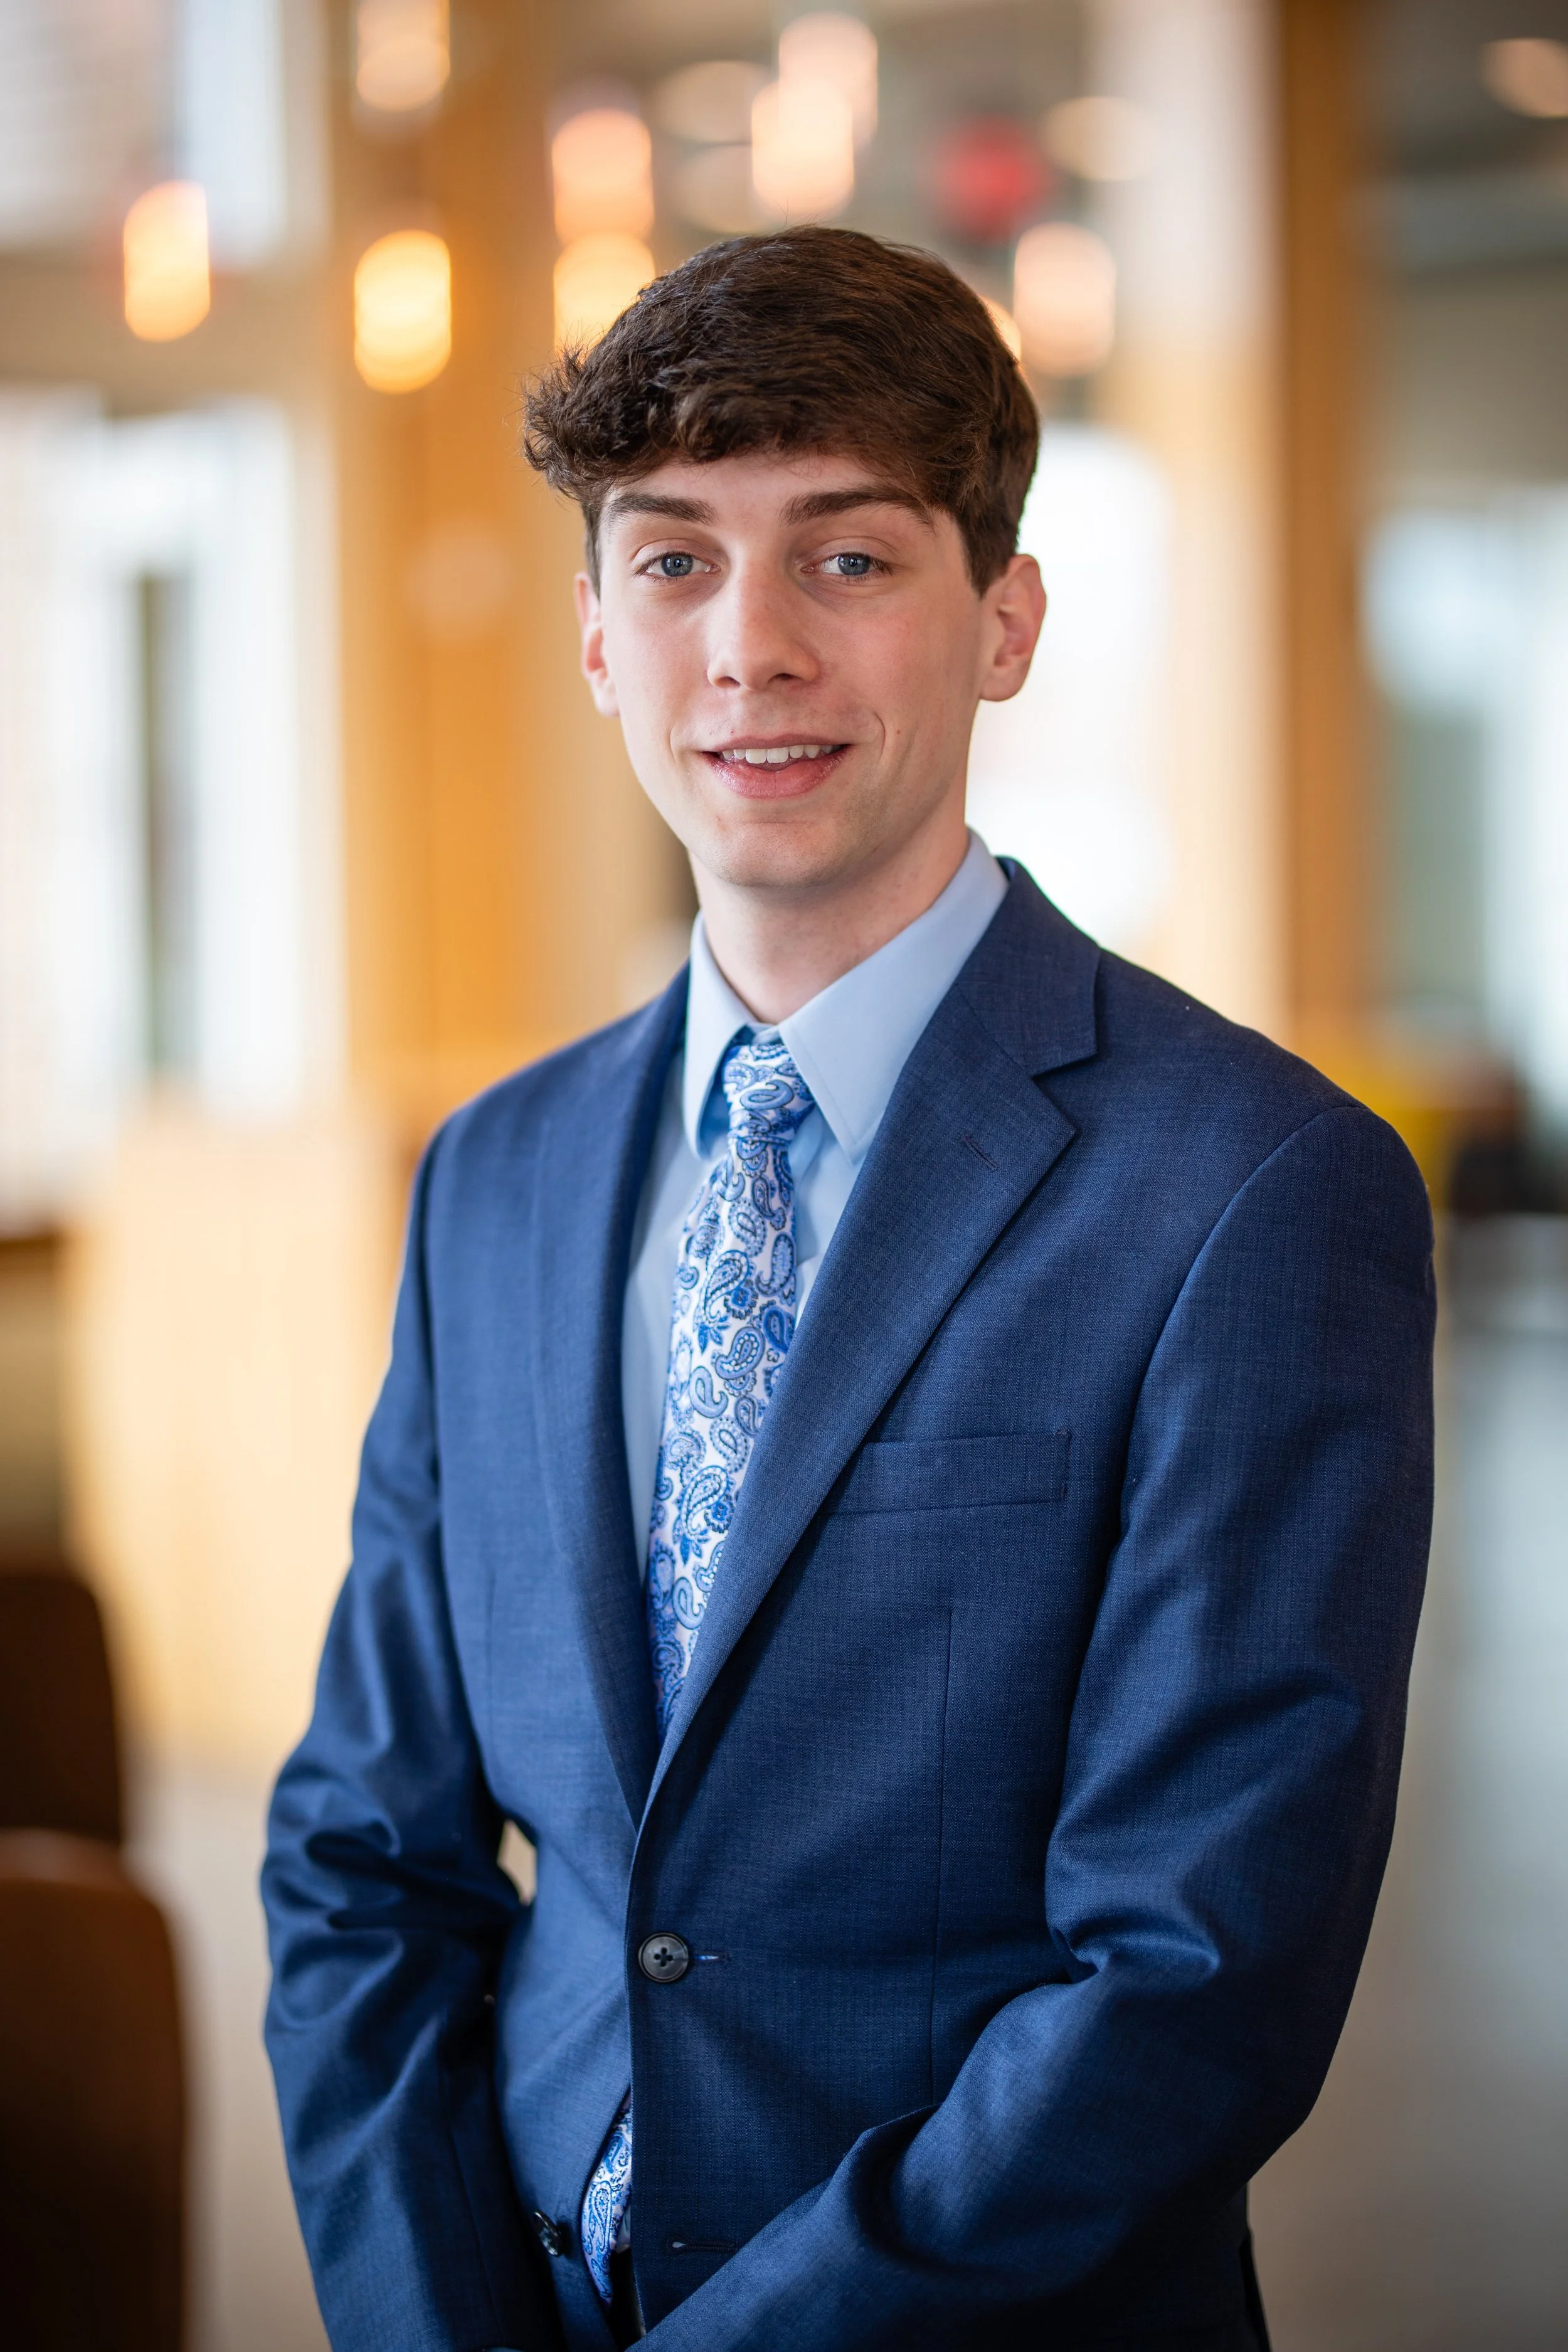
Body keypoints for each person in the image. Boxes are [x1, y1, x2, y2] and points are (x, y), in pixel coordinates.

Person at [262, 228, 1435, 2352]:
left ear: (1004, 620)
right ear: (600, 641)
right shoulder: (496, 1178)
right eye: (673, 562)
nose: (751, 649)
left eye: (849, 560)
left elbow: (1198, 1972)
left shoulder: (1256, 1187)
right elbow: (366, 1852)